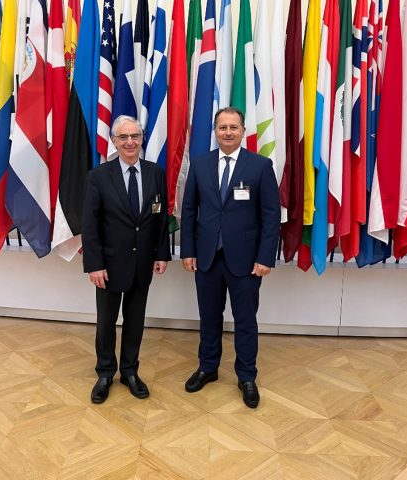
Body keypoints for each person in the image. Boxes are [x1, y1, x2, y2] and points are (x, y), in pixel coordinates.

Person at [180, 107, 281, 408]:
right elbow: (189, 210)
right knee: (209, 317)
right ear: (215, 131)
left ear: (243, 130)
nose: (227, 132)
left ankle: (246, 376)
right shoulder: (200, 164)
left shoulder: (260, 166)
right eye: (222, 127)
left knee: (245, 320)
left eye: (233, 127)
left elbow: (270, 216)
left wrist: (265, 257)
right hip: (207, 257)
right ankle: (208, 367)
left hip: (247, 261)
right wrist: (188, 250)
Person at [82, 115, 170, 404]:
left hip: (143, 263)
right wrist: (94, 264)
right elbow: (90, 224)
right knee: (106, 321)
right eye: (123, 137)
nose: (130, 142)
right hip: (108, 265)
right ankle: (105, 372)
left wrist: (161, 253)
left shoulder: (156, 173)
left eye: (135, 136)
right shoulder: (98, 176)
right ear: (114, 141)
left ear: (142, 139)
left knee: (135, 321)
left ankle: (130, 371)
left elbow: (160, 217)